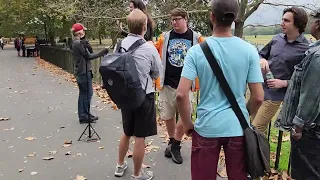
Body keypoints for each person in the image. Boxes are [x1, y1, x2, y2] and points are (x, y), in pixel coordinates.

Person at [176, 0, 264, 179]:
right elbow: (258, 97)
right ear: (233, 20)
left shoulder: (196, 52)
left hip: (207, 127)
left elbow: (181, 94)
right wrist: (242, 113)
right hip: (237, 128)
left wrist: (187, 124)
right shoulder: (249, 50)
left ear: (212, 17)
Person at [114, 9, 162, 180]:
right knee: (139, 136)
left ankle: (120, 166)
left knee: (127, 131)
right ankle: (137, 174)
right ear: (144, 26)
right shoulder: (149, 48)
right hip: (144, 97)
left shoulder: (119, 45)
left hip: (125, 96)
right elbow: (157, 72)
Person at [154, 8, 204, 164]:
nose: (174, 22)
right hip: (167, 83)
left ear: (185, 19)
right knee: (168, 115)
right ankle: (171, 141)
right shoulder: (165, 37)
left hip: (187, 85)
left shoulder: (196, 38)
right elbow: (156, 52)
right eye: (172, 20)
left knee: (185, 115)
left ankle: (176, 143)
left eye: (177, 19)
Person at [275, 9, 320, 180]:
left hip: (311, 132)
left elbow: (312, 95)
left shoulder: (316, 56)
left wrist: (298, 127)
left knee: (305, 173)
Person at [252, 6, 310, 134]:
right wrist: (262, 60)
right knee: (251, 127)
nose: (281, 23)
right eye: (282, 19)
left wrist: (284, 83)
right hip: (258, 89)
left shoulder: (306, 48)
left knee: (256, 128)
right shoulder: (277, 38)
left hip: (276, 95)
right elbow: (261, 54)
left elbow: (307, 79)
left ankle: (255, 154)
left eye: (286, 20)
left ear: (298, 23)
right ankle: (256, 152)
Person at [70, 23, 109, 124]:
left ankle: (85, 114)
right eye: (83, 30)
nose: (84, 32)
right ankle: (84, 116)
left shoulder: (77, 42)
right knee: (87, 94)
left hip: (82, 71)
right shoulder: (77, 43)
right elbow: (89, 56)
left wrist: (86, 43)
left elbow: (88, 52)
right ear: (79, 32)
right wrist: (102, 52)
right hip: (83, 71)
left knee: (84, 93)